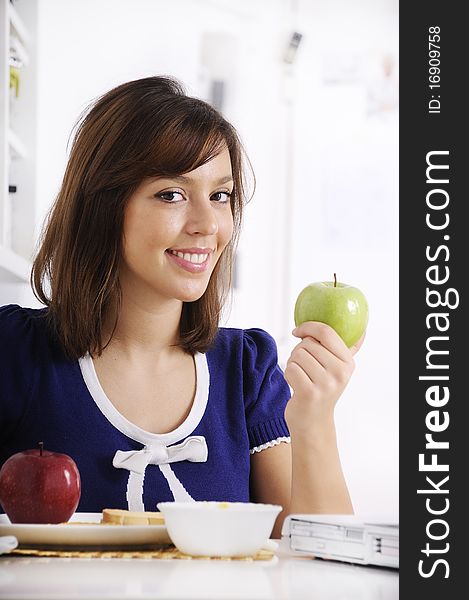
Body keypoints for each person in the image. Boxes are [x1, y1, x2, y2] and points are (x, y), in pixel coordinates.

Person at [0, 76, 363, 538]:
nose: (208, 223)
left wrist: (314, 419)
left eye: (221, 195)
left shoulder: (246, 370)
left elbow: (322, 564)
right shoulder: (16, 353)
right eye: (172, 194)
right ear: (105, 206)